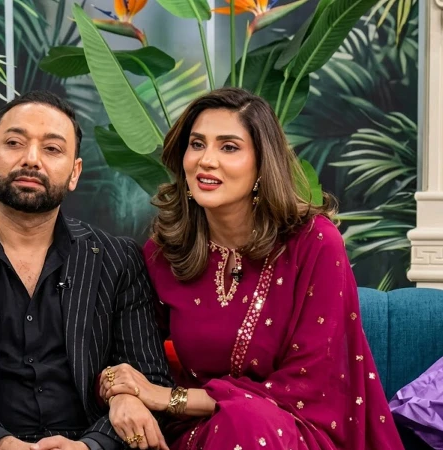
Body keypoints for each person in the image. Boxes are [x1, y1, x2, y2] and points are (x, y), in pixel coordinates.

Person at [99, 88, 405, 449]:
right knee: (239, 422)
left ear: (262, 163)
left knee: (245, 422)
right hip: (200, 432)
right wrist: (124, 394)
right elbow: (123, 351)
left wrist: (171, 398)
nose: (206, 160)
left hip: (299, 429)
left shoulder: (315, 244)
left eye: (229, 147)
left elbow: (307, 385)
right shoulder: (166, 254)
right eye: (197, 144)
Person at [0, 90, 172, 450]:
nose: (31, 159)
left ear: (74, 173)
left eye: (52, 148)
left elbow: (149, 378)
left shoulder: (116, 259)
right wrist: (0, 443)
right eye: (14, 143)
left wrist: (90, 446)